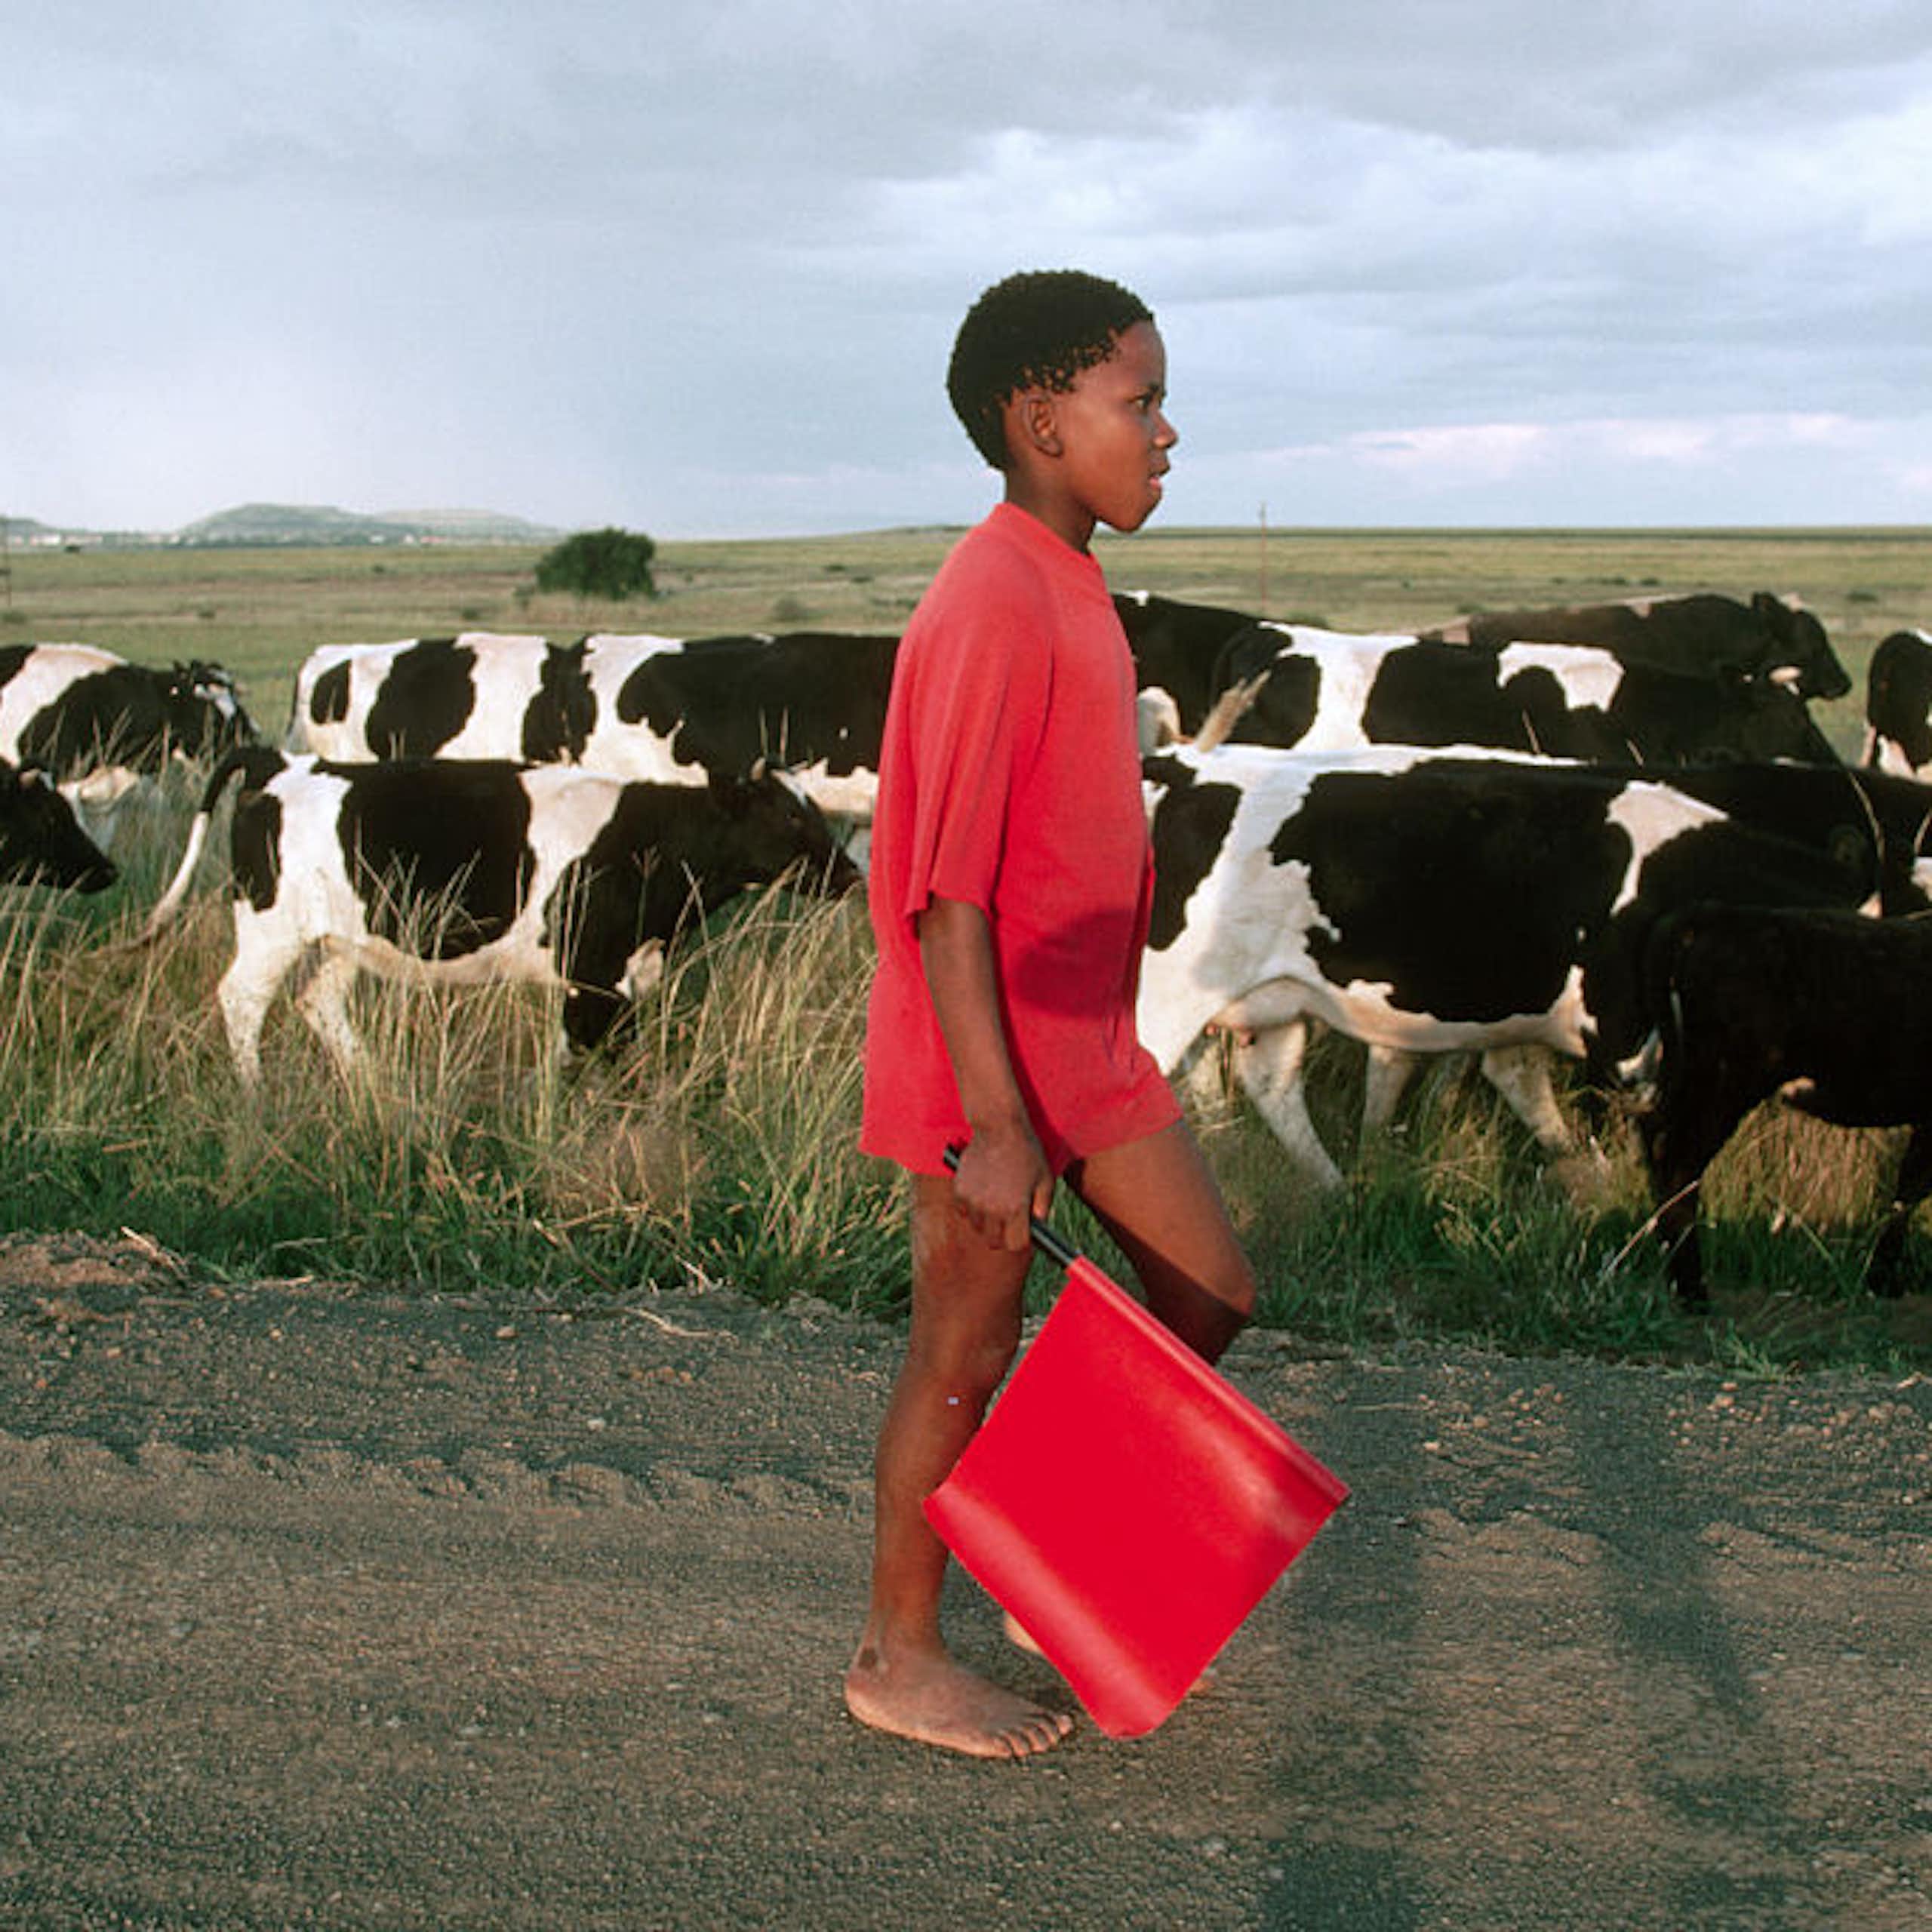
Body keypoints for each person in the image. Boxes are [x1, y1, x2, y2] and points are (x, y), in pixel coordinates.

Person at [844, 269, 1259, 1759]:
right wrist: (997, 1127)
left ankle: (1046, 1555)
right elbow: (943, 898)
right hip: (986, 1061)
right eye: (1137, 402)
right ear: (1040, 422)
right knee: (962, 1347)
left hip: (1080, 1043)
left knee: (1209, 1292)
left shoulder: (1067, 584)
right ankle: (898, 1653)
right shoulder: (992, 599)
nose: (1164, 433)